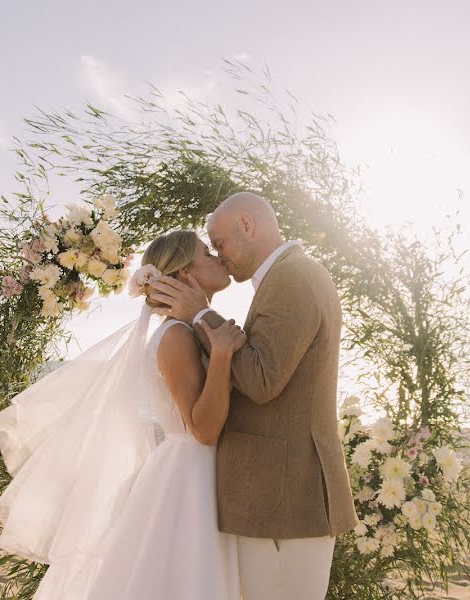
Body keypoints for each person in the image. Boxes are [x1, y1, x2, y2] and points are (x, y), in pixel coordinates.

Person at [0, 230, 246, 599]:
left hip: (191, 470)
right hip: (191, 477)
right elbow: (202, 430)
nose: (217, 258)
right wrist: (222, 356)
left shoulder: (186, 330)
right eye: (207, 252)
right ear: (187, 274)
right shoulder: (176, 336)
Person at [148, 192, 359, 600]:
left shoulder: (292, 276)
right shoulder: (285, 276)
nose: (219, 255)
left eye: (219, 243)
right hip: (273, 499)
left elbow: (262, 380)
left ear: (247, 225)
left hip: (283, 498)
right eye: (210, 249)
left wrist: (200, 316)